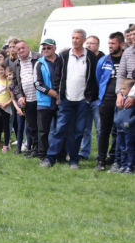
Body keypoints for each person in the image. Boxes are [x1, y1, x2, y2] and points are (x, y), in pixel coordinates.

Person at [41, 29, 99, 169]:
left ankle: (73, 160)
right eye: (73, 38)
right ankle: (50, 159)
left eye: (77, 38)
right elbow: (58, 77)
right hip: (66, 99)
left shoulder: (90, 56)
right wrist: (58, 96)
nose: (74, 40)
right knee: (60, 129)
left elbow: (93, 79)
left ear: (83, 40)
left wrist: (89, 98)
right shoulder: (64, 55)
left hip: (82, 101)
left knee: (78, 131)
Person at [95, 32, 125, 171]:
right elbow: (98, 78)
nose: (110, 46)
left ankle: (115, 158)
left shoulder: (127, 59)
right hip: (106, 99)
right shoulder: (104, 60)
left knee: (119, 131)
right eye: (109, 43)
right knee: (103, 131)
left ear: (121, 44)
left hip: (123, 100)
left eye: (113, 43)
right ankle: (101, 160)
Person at [34, 39, 61, 161]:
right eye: (43, 48)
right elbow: (37, 84)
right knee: (43, 131)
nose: (45, 50)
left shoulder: (62, 61)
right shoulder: (39, 64)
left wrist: (60, 95)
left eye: (48, 48)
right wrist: (55, 95)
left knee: (60, 130)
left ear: (54, 48)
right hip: (44, 102)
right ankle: (43, 155)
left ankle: (60, 154)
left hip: (61, 101)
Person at [13, 40, 40, 158]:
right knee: (32, 126)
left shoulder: (38, 58)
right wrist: (19, 96)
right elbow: (15, 84)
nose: (21, 50)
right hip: (27, 99)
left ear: (28, 47)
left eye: (23, 48)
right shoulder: (16, 63)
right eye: (18, 49)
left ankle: (43, 149)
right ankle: (35, 149)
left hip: (41, 98)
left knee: (43, 126)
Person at [79, 35, 104, 160]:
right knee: (85, 128)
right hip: (84, 99)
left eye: (92, 43)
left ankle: (101, 153)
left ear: (98, 45)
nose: (88, 45)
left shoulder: (103, 59)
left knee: (100, 128)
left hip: (98, 99)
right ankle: (84, 152)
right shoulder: (84, 58)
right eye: (87, 43)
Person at [113, 78, 135, 173]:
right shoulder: (120, 100)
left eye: (124, 89)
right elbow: (116, 111)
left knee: (129, 148)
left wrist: (129, 122)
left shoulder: (132, 102)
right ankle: (123, 165)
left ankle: (129, 166)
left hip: (129, 129)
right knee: (122, 148)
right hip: (120, 128)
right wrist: (116, 121)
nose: (122, 91)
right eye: (121, 88)